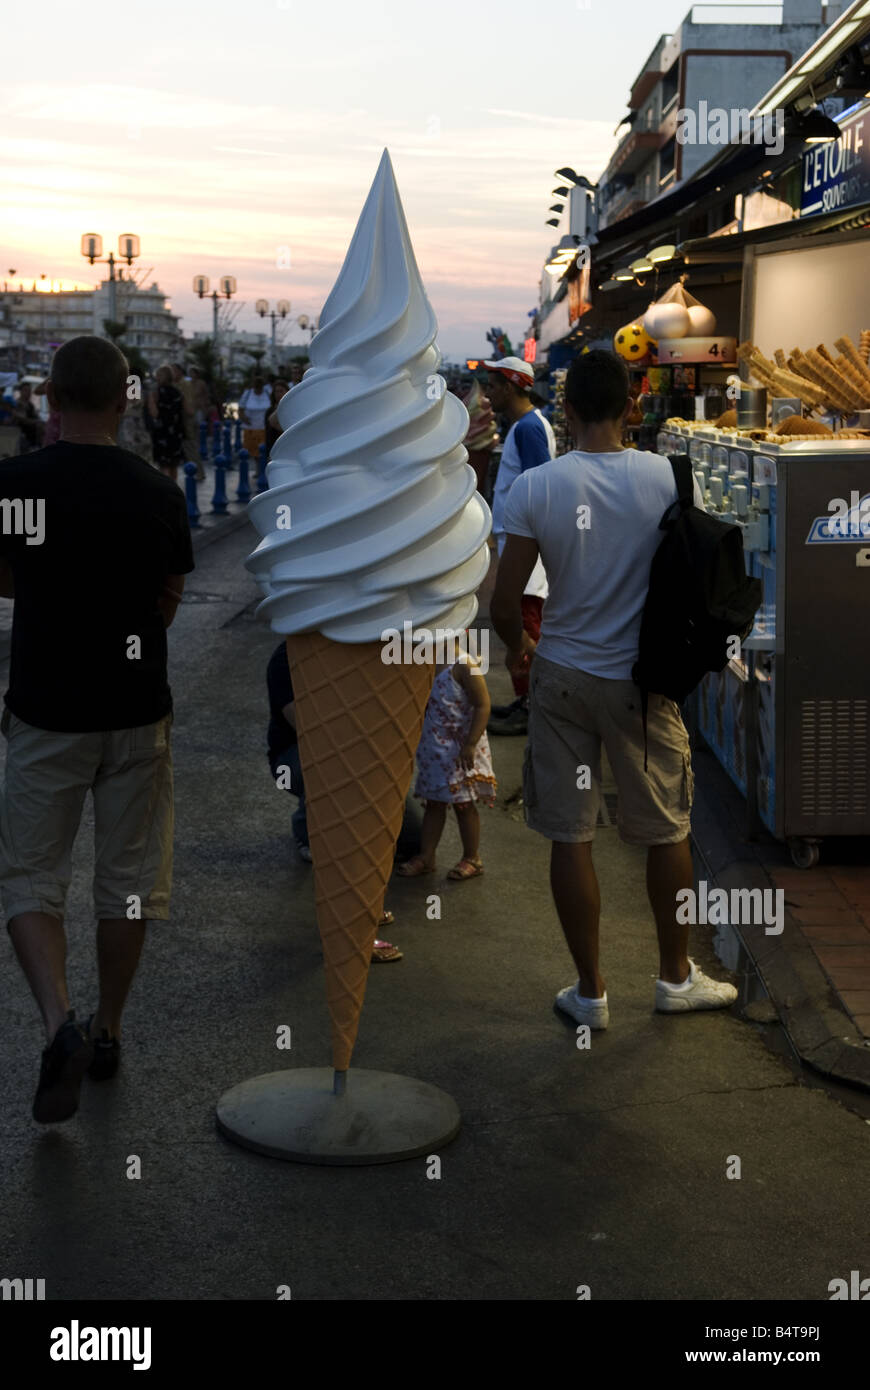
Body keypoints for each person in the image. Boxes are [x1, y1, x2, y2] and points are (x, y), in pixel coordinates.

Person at [491, 349, 737, 1031]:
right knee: (667, 830)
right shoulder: (668, 479)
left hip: (564, 678)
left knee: (572, 835)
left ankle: (591, 992)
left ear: (565, 410)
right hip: (642, 683)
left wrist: (523, 649)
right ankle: (674, 978)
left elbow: (505, 603)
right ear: (632, 407)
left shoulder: (535, 488)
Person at [0, 334, 194, 1122]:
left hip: (46, 710)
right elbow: (171, 594)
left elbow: (5, 578)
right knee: (129, 886)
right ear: (126, 400)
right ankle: (109, 1030)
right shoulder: (155, 491)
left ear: (50, 401)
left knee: (29, 877)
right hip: (135, 709)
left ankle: (58, 1023)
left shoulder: (16, 485)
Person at [265, 640, 407, 962]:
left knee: (406, 838)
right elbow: (312, 728)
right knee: (346, 830)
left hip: (356, 752)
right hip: (300, 757)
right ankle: (352, 932)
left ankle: (361, 911)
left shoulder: (355, 644)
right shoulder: (286, 658)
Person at [484, 357, 555, 737]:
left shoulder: (528, 428)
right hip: (521, 544)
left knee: (524, 624)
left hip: (525, 550)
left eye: (492, 386)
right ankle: (527, 701)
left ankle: (532, 707)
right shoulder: (525, 425)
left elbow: (539, 488)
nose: (487, 393)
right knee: (523, 623)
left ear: (510, 388)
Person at [397, 648, 496, 880]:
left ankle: (472, 857)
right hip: (434, 751)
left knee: (464, 805)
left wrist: (470, 744)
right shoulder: (423, 663)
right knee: (434, 804)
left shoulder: (463, 665)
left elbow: (483, 705)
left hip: (461, 750)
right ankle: (426, 856)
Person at [147, 364, 185, 482]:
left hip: (162, 431)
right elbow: (184, 410)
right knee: (174, 464)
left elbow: (155, 414)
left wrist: (151, 401)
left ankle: (165, 491)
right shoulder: (177, 392)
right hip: (176, 431)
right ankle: (174, 488)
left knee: (163, 465)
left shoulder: (157, 392)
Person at [171, 363, 198, 475]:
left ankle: (198, 472)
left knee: (190, 446)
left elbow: (189, 402)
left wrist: (189, 414)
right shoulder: (176, 383)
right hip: (179, 419)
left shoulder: (184, 384)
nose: (172, 373)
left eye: (174, 371)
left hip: (186, 418)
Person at [239, 374, 273, 457]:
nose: (258, 386)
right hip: (250, 430)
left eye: (260, 384)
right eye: (256, 384)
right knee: (251, 455)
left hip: (264, 430)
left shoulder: (268, 392)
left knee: (264, 454)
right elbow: (240, 410)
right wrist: (244, 419)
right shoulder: (247, 394)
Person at [11, 381, 44, 453]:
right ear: (21, 391)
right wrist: (37, 422)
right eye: (26, 390)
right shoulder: (17, 404)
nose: (28, 393)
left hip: (31, 439)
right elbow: (24, 419)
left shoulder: (30, 405)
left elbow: (36, 416)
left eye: (29, 391)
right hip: (21, 437)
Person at [265, 378, 289, 455]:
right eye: (276, 392)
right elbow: (271, 422)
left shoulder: (291, 409)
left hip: (286, 447)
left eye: (281, 391)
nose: (278, 394)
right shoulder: (270, 410)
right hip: (273, 447)